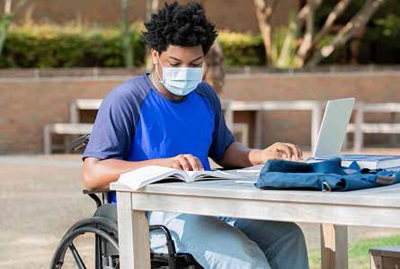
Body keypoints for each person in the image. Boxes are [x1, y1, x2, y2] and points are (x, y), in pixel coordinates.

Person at [82, 2, 309, 268]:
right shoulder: (126, 100)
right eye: (175, 63)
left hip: (208, 205)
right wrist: (162, 164)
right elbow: (92, 175)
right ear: (155, 56)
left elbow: (224, 151)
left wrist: (261, 155)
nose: (185, 72)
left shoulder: (204, 95)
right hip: (152, 214)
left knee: (288, 236)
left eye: (195, 64)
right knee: (245, 259)